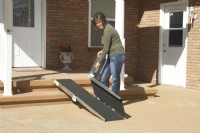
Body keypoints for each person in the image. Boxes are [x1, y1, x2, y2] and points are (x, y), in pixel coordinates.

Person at [93, 12, 125, 95]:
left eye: (99, 22)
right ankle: (107, 98)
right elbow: (108, 45)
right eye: (96, 23)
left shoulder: (108, 29)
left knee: (115, 78)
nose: (98, 24)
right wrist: (102, 51)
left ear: (103, 20)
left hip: (117, 55)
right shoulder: (105, 29)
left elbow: (107, 48)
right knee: (104, 78)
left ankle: (114, 100)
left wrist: (99, 62)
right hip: (112, 55)